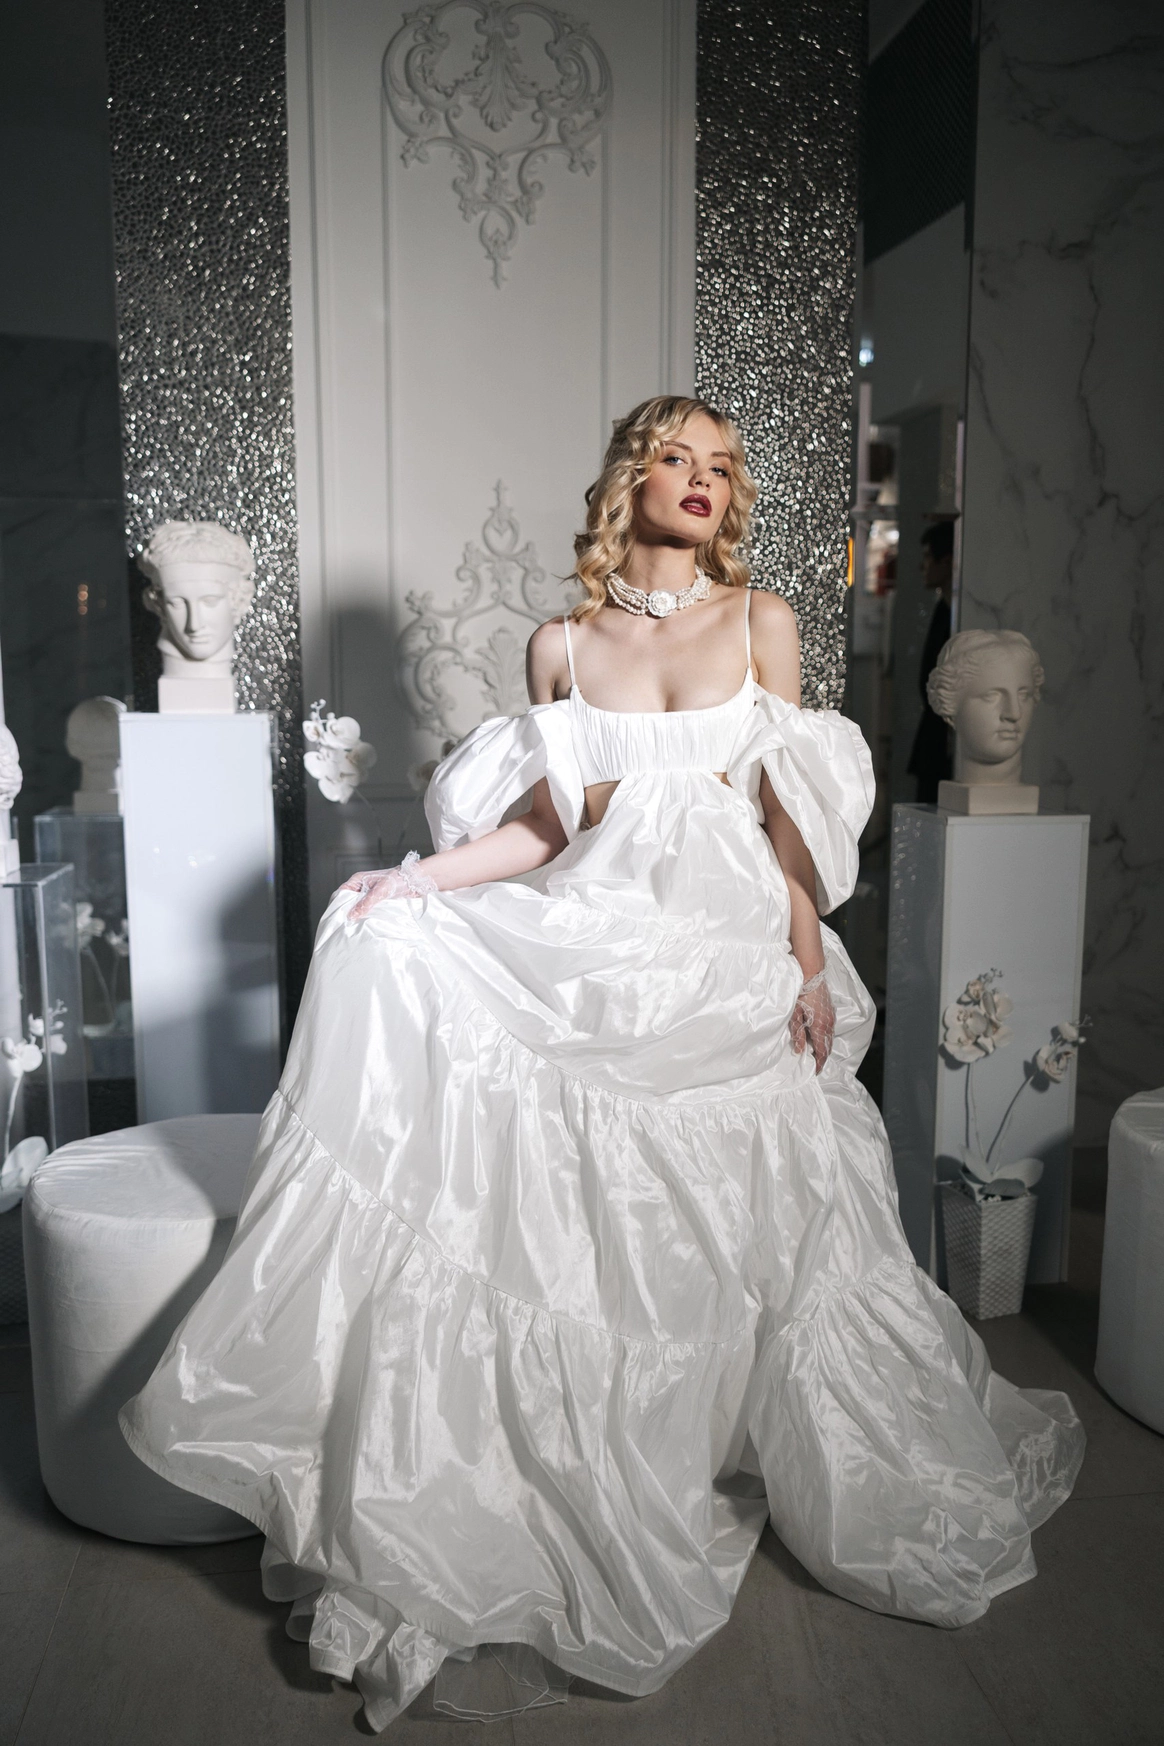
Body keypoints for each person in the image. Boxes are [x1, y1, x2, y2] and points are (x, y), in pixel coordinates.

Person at [120, 398, 1083, 1733]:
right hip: (596, 949)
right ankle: (574, 1460)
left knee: (748, 1213)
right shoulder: (560, 645)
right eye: (675, 457)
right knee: (532, 1141)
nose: (701, 479)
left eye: (720, 464)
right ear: (633, 478)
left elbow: (787, 827)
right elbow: (545, 830)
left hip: (727, 967)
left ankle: (723, 1428)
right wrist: (414, 881)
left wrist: (810, 968)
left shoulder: (761, 624)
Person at [906, 517, 956, 802]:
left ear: (947, 561)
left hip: (945, 737)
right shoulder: (942, 609)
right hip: (934, 736)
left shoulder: (954, 614)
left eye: (927, 557)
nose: (922, 567)